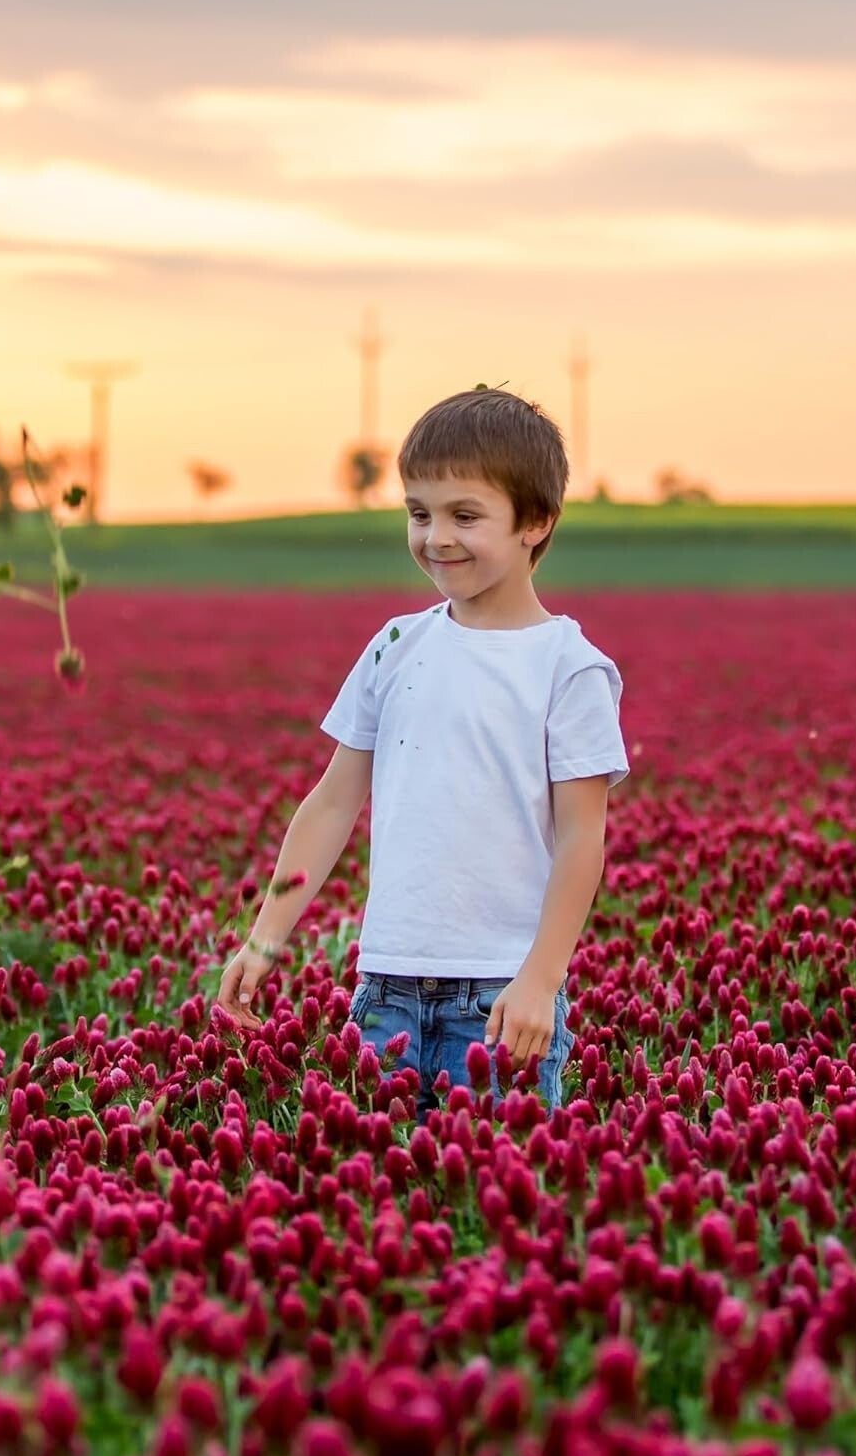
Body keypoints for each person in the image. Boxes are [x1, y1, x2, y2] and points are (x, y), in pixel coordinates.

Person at [217, 388, 629, 1115]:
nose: (436, 537)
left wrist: (542, 977)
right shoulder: (397, 644)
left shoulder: (570, 666)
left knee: (499, 1199)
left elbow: (581, 839)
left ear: (536, 522)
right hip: (384, 987)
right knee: (377, 1200)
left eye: (465, 515)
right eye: (419, 512)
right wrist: (265, 938)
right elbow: (332, 802)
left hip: (501, 990)